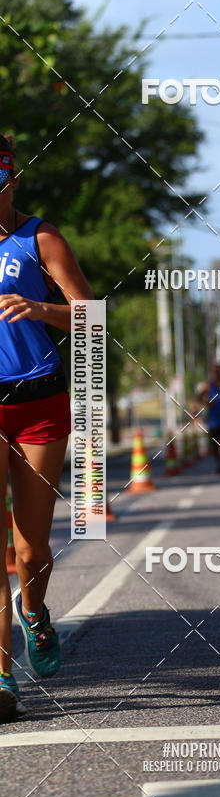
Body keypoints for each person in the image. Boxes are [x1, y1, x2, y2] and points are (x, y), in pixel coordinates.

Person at [0, 134, 93, 722]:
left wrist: (40, 310)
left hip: (39, 402)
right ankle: (2, 676)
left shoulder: (39, 238)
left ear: (11, 181)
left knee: (31, 548)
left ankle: (34, 611)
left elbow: (89, 313)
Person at [198, 363, 220, 473]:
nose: (217, 373)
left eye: (219, 371)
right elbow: (199, 396)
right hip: (213, 420)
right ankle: (219, 464)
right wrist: (207, 403)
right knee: (215, 444)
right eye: (215, 372)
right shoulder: (209, 385)